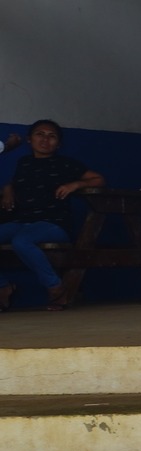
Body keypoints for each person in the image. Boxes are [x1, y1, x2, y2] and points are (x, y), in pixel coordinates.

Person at [0, 119, 103, 312]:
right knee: (17, 235)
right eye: (40, 134)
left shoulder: (65, 164)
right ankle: (3, 287)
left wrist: (75, 184)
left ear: (59, 143)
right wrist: (7, 188)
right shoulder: (24, 163)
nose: (45, 139)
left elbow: (98, 179)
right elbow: (14, 182)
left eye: (52, 136)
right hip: (21, 222)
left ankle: (56, 288)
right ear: (29, 139)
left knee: (21, 242)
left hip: (53, 225)